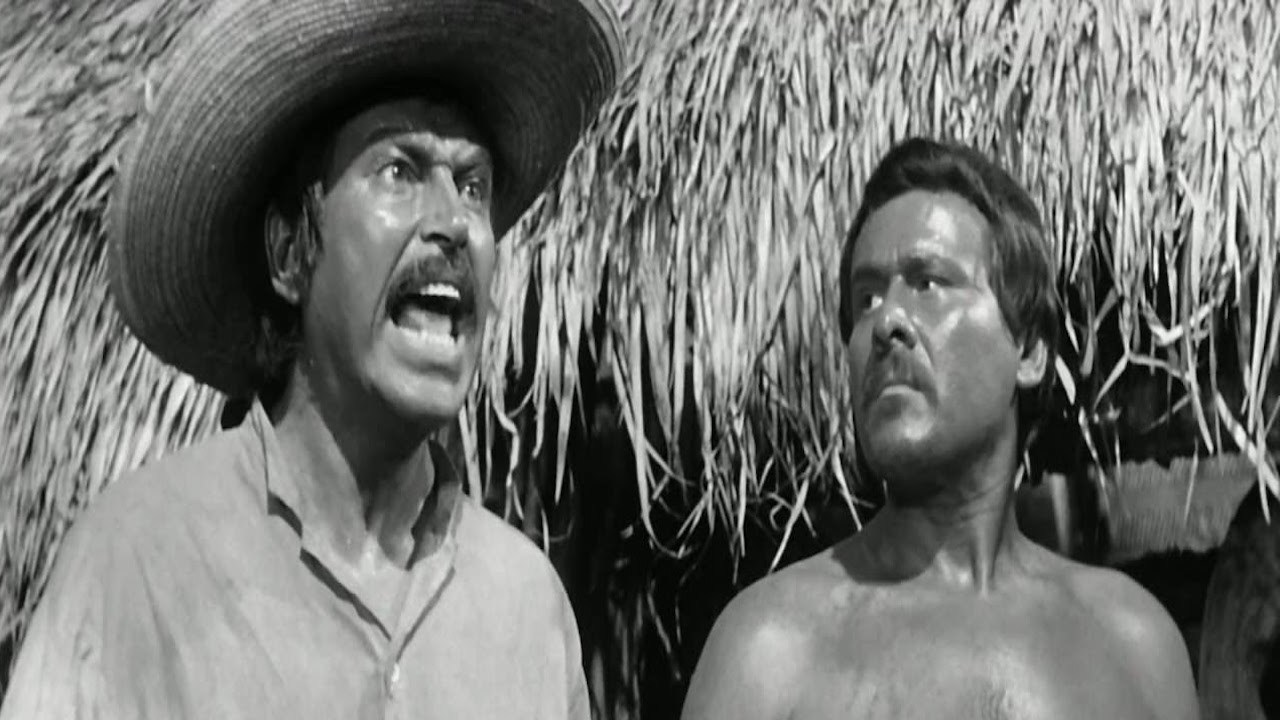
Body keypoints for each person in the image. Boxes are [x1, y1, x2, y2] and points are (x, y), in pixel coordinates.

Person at [1, 0, 621, 718]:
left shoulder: (527, 608)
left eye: (472, 185)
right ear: (290, 253)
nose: (454, 222)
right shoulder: (134, 568)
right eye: (399, 170)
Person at [681, 138, 1200, 720]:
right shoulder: (771, 654)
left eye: (927, 283)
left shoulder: (1135, 646)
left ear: (1029, 349)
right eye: (866, 298)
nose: (886, 320)